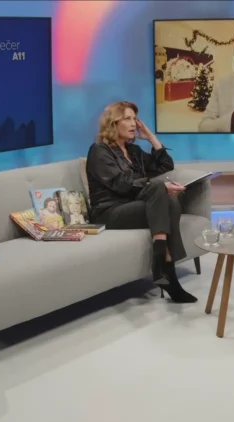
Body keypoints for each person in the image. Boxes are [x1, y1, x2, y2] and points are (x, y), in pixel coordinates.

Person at [86, 101, 197, 304]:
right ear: (113, 123)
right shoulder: (99, 150)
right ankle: (164, 268)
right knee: (159, 189)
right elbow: (120, 184)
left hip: (133, 206)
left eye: (135, 119)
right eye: (127, 119)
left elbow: (165, 165)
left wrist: (151, 138)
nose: (134, 124)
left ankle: (164, 268)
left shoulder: (134, 151)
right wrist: (159, 187)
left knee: (170, 201)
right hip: (108, 212)